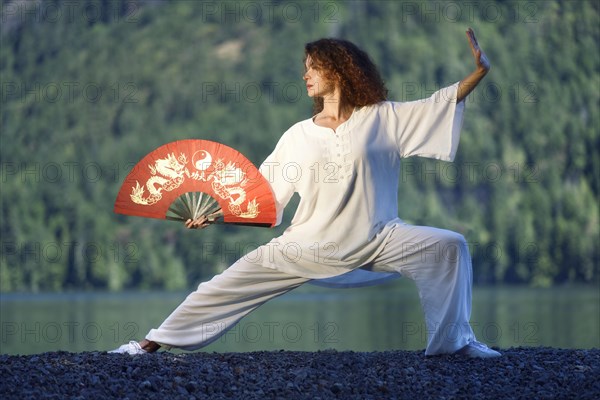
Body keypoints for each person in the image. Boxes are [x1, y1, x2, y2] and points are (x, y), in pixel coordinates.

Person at [111, 28, 500, 358]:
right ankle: (148, 344)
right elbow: (261, 198)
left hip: (379, 237)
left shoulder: (383, 118)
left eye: (313, 67)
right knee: (221, 287)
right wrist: (216, 213)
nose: (306, 76)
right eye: (305, 69)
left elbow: (437, 105)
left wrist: (479, 72)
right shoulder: (298, 135)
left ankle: (455, 344)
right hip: (305, 245)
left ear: (340, 70)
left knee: (450, 247)